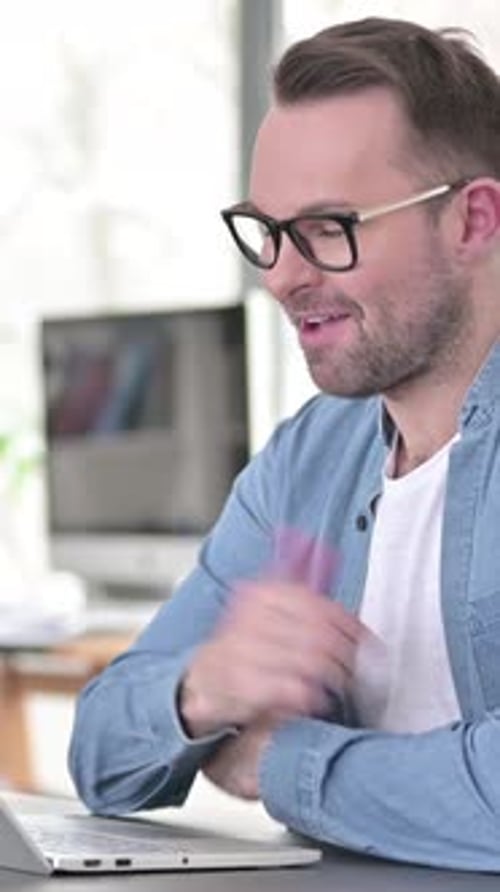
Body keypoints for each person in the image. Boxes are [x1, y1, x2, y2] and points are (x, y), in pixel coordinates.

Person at [69, 16, 500, 871]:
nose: (280, 276)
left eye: (329, 227)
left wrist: (274, 761)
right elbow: (101, 752)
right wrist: (201, 695)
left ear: (474, 220)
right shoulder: (309, 461)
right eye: (268, 230)